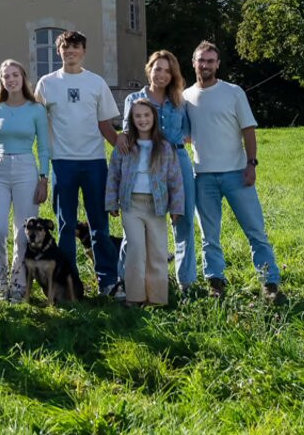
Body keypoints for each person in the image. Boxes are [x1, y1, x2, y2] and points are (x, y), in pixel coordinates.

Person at [183, 41, 285, 304]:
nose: (205, 65)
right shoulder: (185, 97)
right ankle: (215, 283)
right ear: (193, 63)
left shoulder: (233, 92)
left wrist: (251, 164)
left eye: (210, 61)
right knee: (209, 236)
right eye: (200, 60)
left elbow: (248, 130)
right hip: (202, 176)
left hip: (237, 174)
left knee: (256, 232)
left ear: (217, 64)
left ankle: (270, 284)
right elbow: (183, 136)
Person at [33, 30, 121, 294]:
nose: (70, 51)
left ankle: (107, 281)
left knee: (99, 226)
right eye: (65, 48)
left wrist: (125, 150)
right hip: (62, 162)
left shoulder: (96, 83)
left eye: (75, 47)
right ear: (58, 52)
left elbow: (106, 125)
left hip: (94, 162)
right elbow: (36, 123)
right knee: (66, 226)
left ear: (84, 51)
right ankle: (70, 284)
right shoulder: (47, 84)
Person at [120, 49, 197, 294]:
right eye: (157, 68)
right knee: (136, 223)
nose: (162, 74)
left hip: (177, 159)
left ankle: (186, 282)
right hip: (144, 163)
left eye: (167, 70)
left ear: (173, 74)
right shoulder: (134, 99)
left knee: (182, 221)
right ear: (149, 69)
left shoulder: (180, 101)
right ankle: (125, 281)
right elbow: (126, 134)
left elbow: (187, 133)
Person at [0, 60, 50, 302]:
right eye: (5, 76)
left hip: (26, 170)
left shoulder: (36, 109)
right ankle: (1, 284)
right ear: (1, 81)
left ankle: (19, 285)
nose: (10, 79)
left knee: (23, 233)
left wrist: (44, 179)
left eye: (15, 74)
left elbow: (44, 147)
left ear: (23, 78)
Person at [105, 98, 184, 307]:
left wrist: (177, 207)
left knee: (157, 251)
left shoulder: (165, 147)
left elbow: (175, 178)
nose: (142, 120)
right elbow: (113, 174)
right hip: (131, 205)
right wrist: (112, 202)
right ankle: (134, 297)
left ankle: (157, 299)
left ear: (154, 118)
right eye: (137, 116)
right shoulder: (125, 145)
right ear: (131, 119)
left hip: (157, 206)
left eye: (146, 115)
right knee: (136, 250)